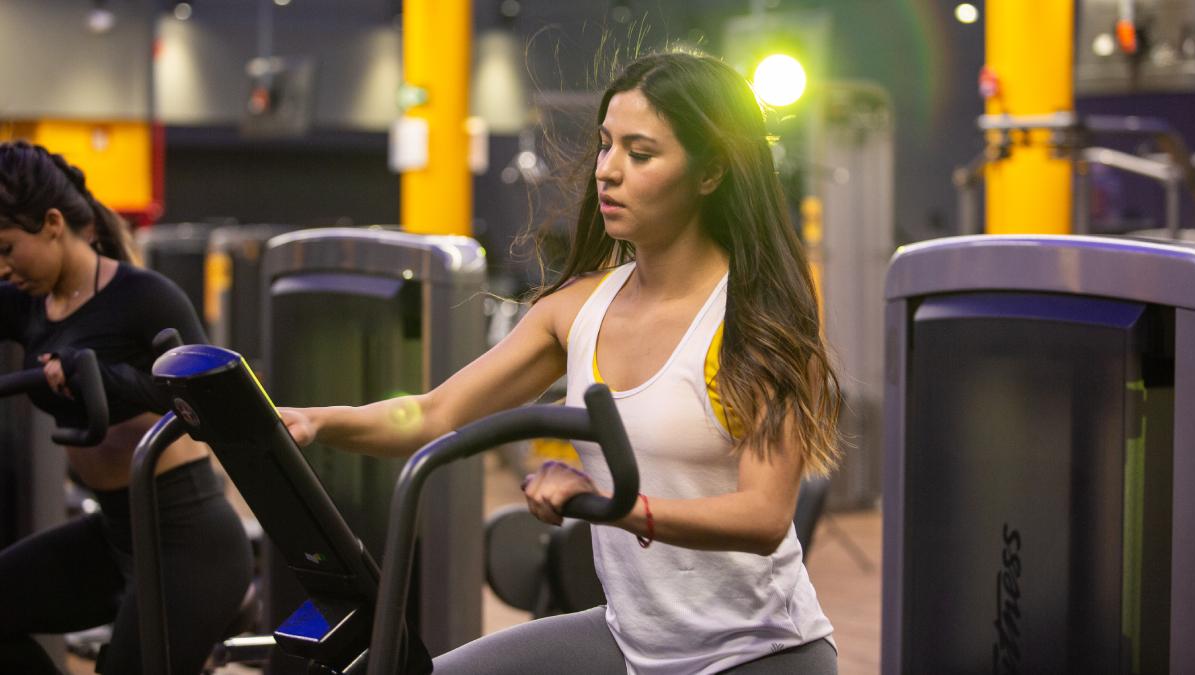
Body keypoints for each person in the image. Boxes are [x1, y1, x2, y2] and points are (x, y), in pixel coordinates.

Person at [282, 50, 841, 674]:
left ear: (709, 173)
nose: (608, 171)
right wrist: (315, 421)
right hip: (632, 641)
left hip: (758, 653)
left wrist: (607, 502)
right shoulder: (575, 311)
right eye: (606, 146)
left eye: (641, 153)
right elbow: (436, 414)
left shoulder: (754, 319)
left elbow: (763, 516)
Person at [0, 141, 253, 675]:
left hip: (187, 538)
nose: (4, 267)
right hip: (115, 531)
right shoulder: (28, 300)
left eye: (7, 248)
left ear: (51, 223)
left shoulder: (144, 297)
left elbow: (221, 408)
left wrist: (107, 377)